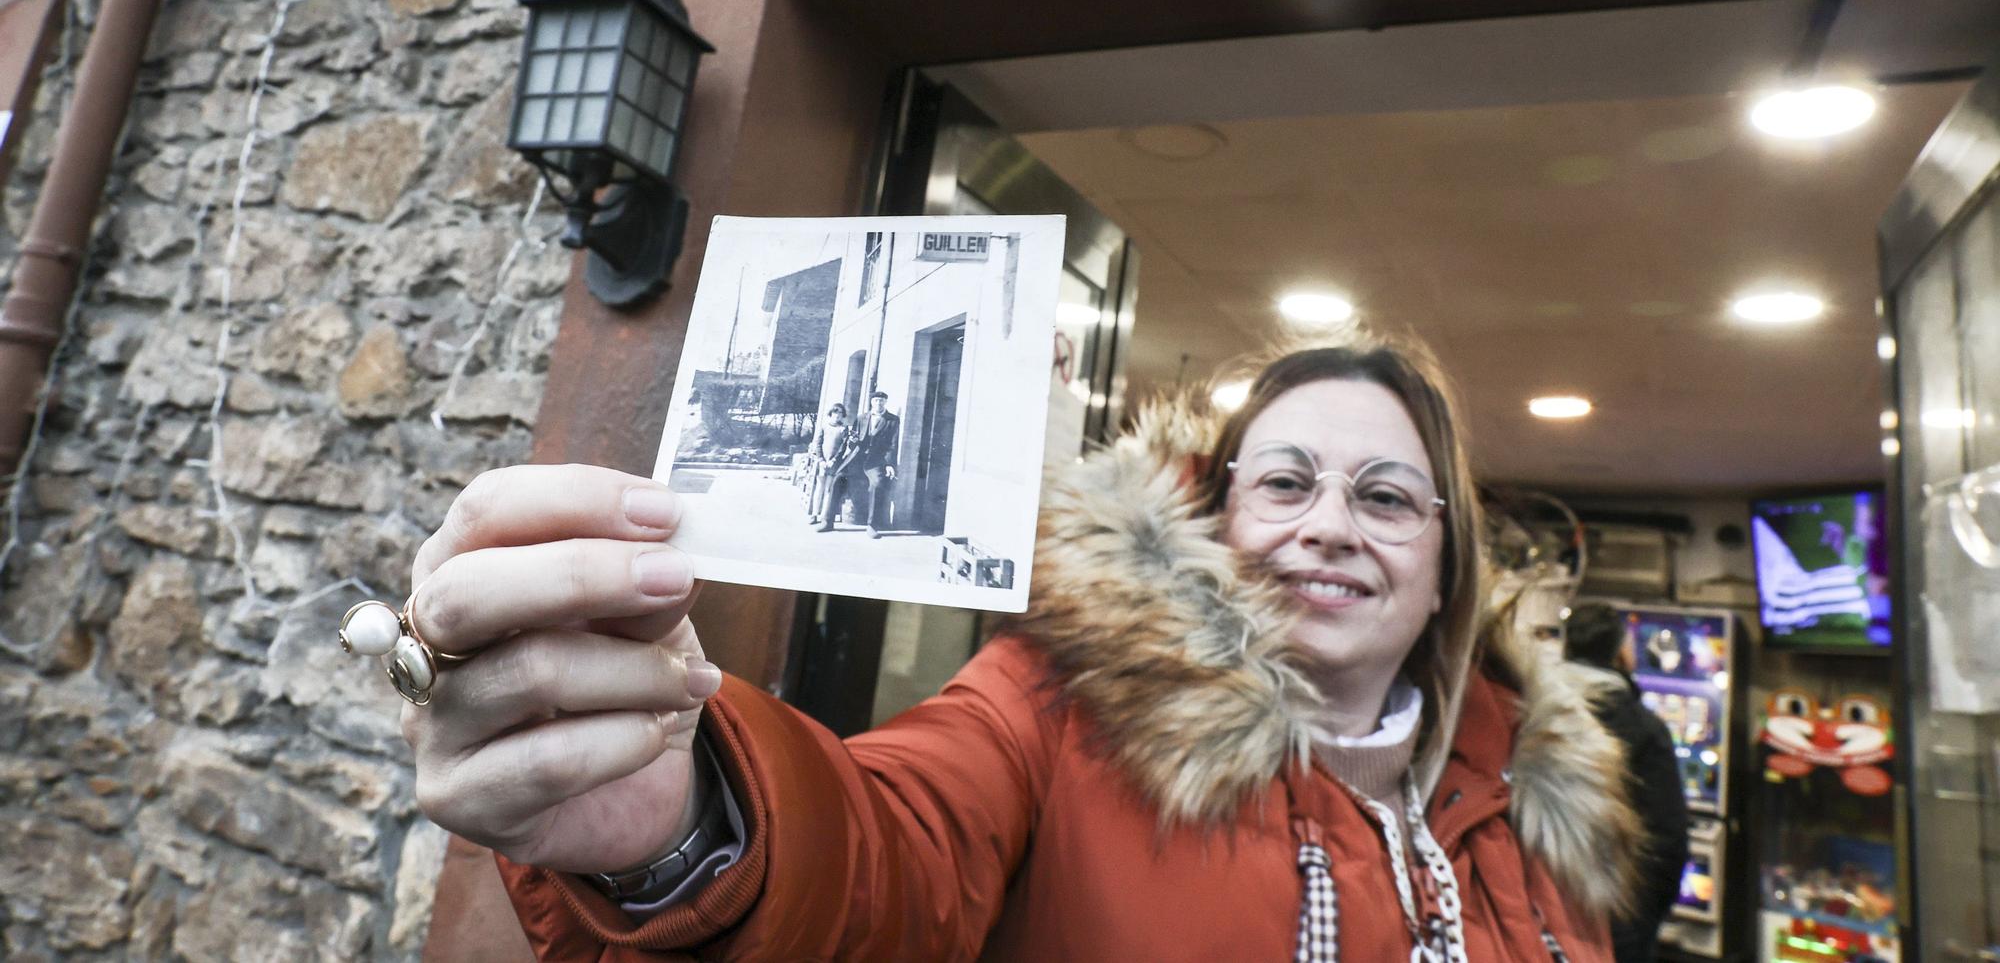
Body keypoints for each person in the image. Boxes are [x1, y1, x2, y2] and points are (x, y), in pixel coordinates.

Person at [383, 333, 1640, 960]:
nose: (1327, 525)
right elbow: (884, 854)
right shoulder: (1056, 704)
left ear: (1446, 563)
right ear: (1215, 517)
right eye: (1284, 482)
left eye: (1383, 497)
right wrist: (689, 819)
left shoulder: (1542, 810)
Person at [1563, 602, 1691, 963]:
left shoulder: (1529, 709)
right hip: (1616, 919)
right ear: (1621, 653)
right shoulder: (1643, 728)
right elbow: (1667, 842)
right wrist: (1640, 924)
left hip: (1537, 912)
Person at [848, 388, 900, 534]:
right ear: (872, 402)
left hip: (876, 460)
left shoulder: (892, 420)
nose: (879, 403)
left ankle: (872, 525)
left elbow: (893, 444)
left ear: (885, 402)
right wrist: (852, 441)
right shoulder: (861, 418)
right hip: (858, 458)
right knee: (838, 478)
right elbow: (852, 442)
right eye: (876, 400)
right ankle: (827, 520)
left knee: (877, 484)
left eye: (882, 401)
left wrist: (889, 464)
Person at [804, 402, 849, 523]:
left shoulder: (843, 429)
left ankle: (824, 515)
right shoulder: (824, 427)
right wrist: (821, 460)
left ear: (843, 415)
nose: (837, 415)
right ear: (831, 413)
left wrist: (834, 460)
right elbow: (818, 444)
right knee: (819, 488)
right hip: (822, 462)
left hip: (834, 463)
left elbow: (843, 447)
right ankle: (814, 514)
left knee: (829, 489)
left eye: (840, 413)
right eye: (835, 412)